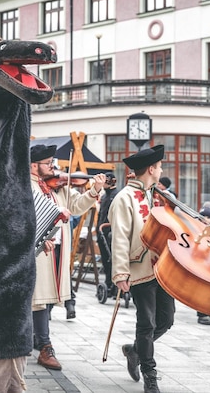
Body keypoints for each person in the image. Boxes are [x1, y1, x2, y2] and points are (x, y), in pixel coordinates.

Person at [30, 144, 106, 370]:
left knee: (44, 297)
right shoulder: (23, 185)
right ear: (33, 166)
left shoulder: (59, 187)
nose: (53, 167)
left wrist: (94, 190)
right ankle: (42, 345)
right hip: (33, 250)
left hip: (57, 250)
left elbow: (78, 205)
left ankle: (39, 341)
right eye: (48, 163)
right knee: (36, 297)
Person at [110, 145, 174, 393]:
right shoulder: (123, 198)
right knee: (146, 323)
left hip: (163, 269)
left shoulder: (157, 195)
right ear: (151, 168)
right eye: (159, 166)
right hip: (139, 269)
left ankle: (134, 350)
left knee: (166, 320)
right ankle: (150, 374)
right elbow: (120, 238)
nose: (161, 170)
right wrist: (120, 273)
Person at [96, 172, 119, 297]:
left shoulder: (117, 195)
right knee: (106, 260)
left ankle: (115, 286)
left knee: (113, 260)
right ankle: (108, 283)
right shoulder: (104, 196)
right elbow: (100, 215)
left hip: (111, 233)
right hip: (102, 233)